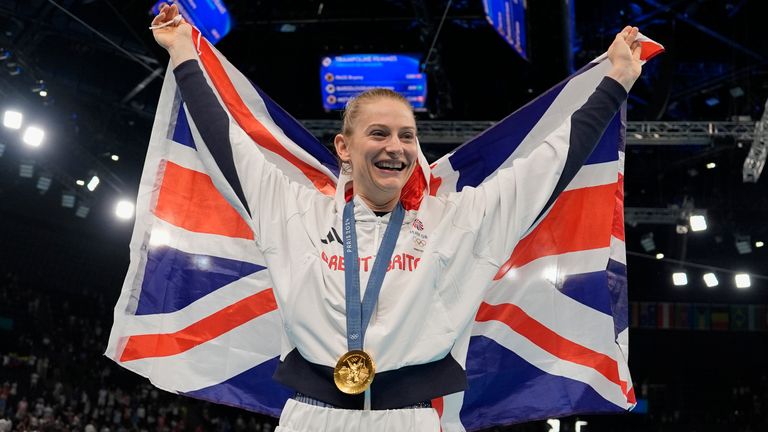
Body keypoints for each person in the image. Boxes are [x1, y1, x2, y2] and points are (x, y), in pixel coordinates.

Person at [151, 4, 642, 431]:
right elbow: (228, 145)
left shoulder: (458, 221)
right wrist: (183, 55)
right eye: (380, 134)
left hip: (410, 419)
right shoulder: (293, 211)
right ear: (344, 147)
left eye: (407, 136)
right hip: (310, 416)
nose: (396, 148)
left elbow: (547, 167)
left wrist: (616, 80)